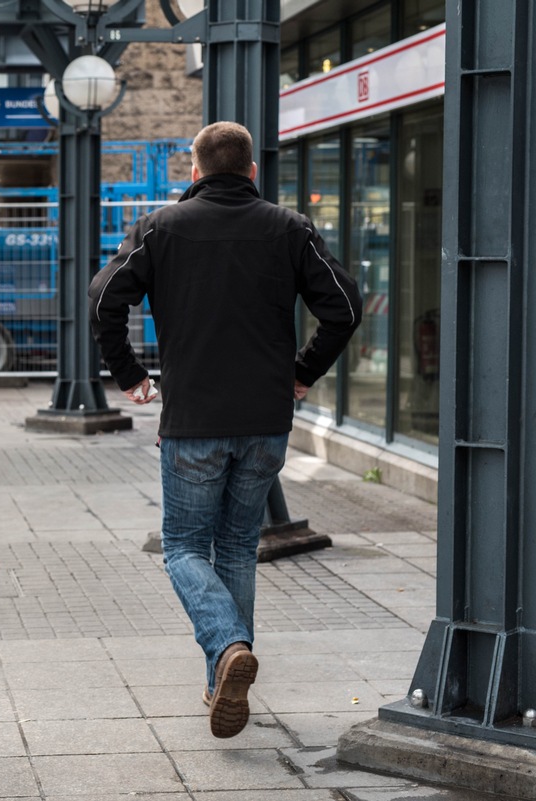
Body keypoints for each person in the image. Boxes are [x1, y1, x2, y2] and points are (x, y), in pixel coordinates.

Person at [88, 121, 362, 739]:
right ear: (252, 172)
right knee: (238, 547)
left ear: (194, 172)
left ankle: (229, 645)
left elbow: (104, 297)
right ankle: (221, 681)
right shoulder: (290, 228)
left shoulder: (160, 227)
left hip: (192, 422)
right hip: (265, 420)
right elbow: (344, 307)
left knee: (185, 547)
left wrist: (131, 375)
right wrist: (302, 372)